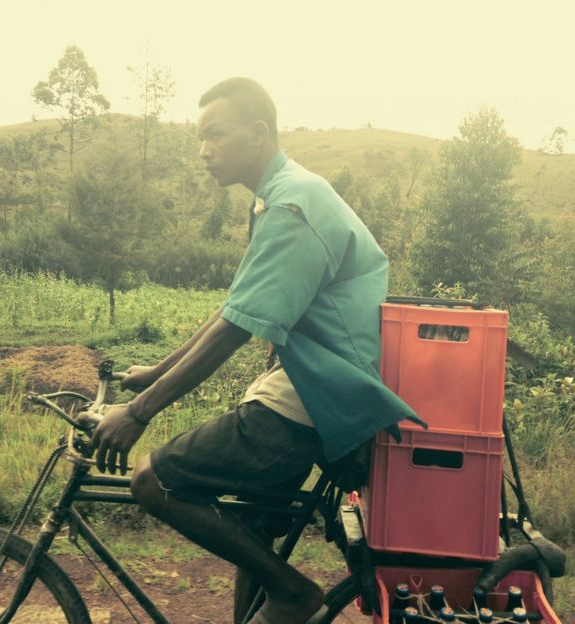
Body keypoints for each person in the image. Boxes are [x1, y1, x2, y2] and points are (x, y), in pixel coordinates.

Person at [90, 77, 419, 624]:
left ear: (259, 133)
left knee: (152, 481)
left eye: (215, 134)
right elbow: (233, 308)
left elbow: (236, 330)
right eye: (199, 137)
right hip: (311, 383)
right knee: (255, 528)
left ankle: (293, 594)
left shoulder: (292, 207)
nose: (203, 150)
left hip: (315, 397)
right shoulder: (281, 195)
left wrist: (140, 412)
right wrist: (155, 371)